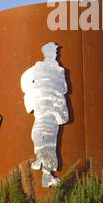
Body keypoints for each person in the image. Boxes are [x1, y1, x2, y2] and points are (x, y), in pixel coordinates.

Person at [21, 42, 69, 187]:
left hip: (53, 109)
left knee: (49, 140)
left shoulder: (59, 71)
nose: (55, 53)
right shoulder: (38, 68)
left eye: (55, 51)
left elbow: (64, 88)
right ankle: (39, 157)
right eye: (52, 51)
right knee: (37, 132)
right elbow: (30, 83)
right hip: (42, 107)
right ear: (45, 52)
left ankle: (46, 174)